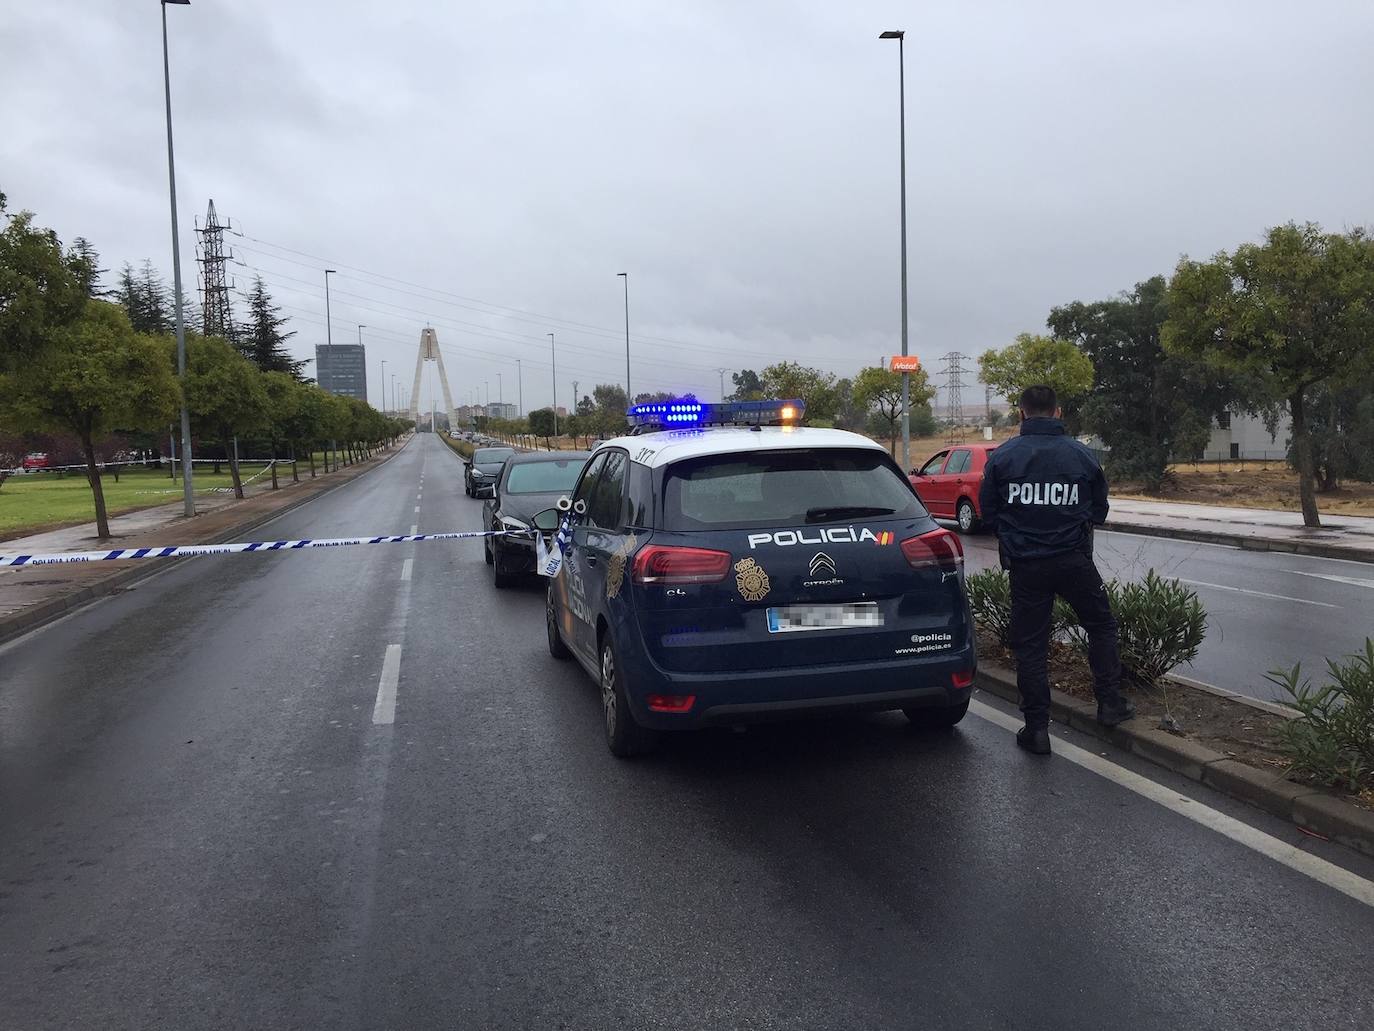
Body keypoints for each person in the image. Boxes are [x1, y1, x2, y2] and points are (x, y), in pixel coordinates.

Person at [978, 384, 1135, 755]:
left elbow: (989, 512)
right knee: (1101, 625)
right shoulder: (1082, 455)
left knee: (1031, 646)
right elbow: (1100, 508)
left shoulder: (1002, 457)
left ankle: (1036, 729)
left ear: (1021, 413)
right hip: (1073, 561)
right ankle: (1110, 702)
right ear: (1058, 413)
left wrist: (1017, 536)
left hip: (1026, 566)